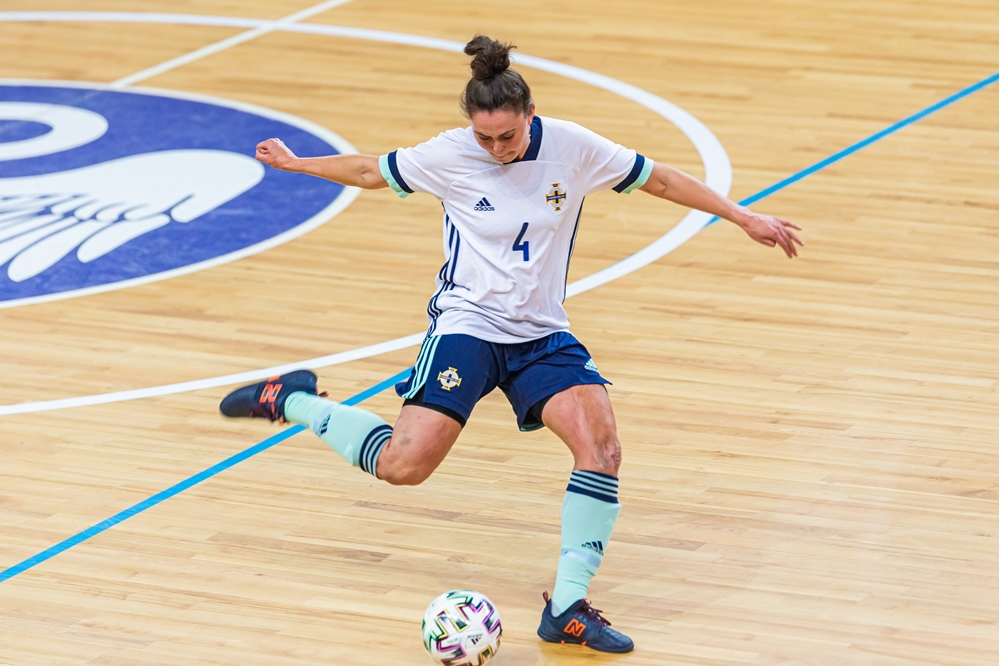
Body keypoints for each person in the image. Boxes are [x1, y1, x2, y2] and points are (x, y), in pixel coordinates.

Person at [220, 35, 803, 654]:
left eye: (508, 136)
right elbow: (369, 169)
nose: (497, 150)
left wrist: (743, 216)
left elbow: (659, 180)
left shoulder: (574, 148)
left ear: (530, 115)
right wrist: (296, 164)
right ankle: (296, 400)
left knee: (601, 450)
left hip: (542, 333)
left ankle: (568, 608)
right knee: (402, 467)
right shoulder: (448, 154)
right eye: (484, 138)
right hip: (468, 326)